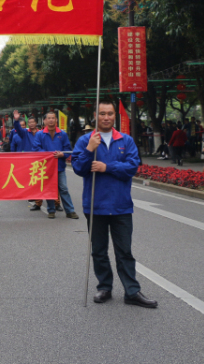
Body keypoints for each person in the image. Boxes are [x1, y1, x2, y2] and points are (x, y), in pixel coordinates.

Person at [71, 100, 157, 309]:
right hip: (95, 204)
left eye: (110, 113)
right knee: (99, 251)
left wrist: (107, 167)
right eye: (102, 113)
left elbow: (132, 167)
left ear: (114, 116)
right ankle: (104, 287)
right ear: (95, 116)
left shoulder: (125, 140)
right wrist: (89, 150)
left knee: (124, 251)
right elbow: (78, 168)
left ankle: (132, 291)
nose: (106, 117)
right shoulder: (85, 140)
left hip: (120, 205)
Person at [33, 111, 79, 219]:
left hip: (60, 167)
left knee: (64, 189)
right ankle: (51, 210)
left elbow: (68, 149)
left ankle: (70, 211)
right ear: (45, 120)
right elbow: (36, 149)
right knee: (49, 189)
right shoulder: (40, 134)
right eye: (49, 118)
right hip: (46, 167)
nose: (51, 120)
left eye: (53, 118)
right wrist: (48, 154)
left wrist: (62, 154)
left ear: (56, 120)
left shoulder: (62, 134)